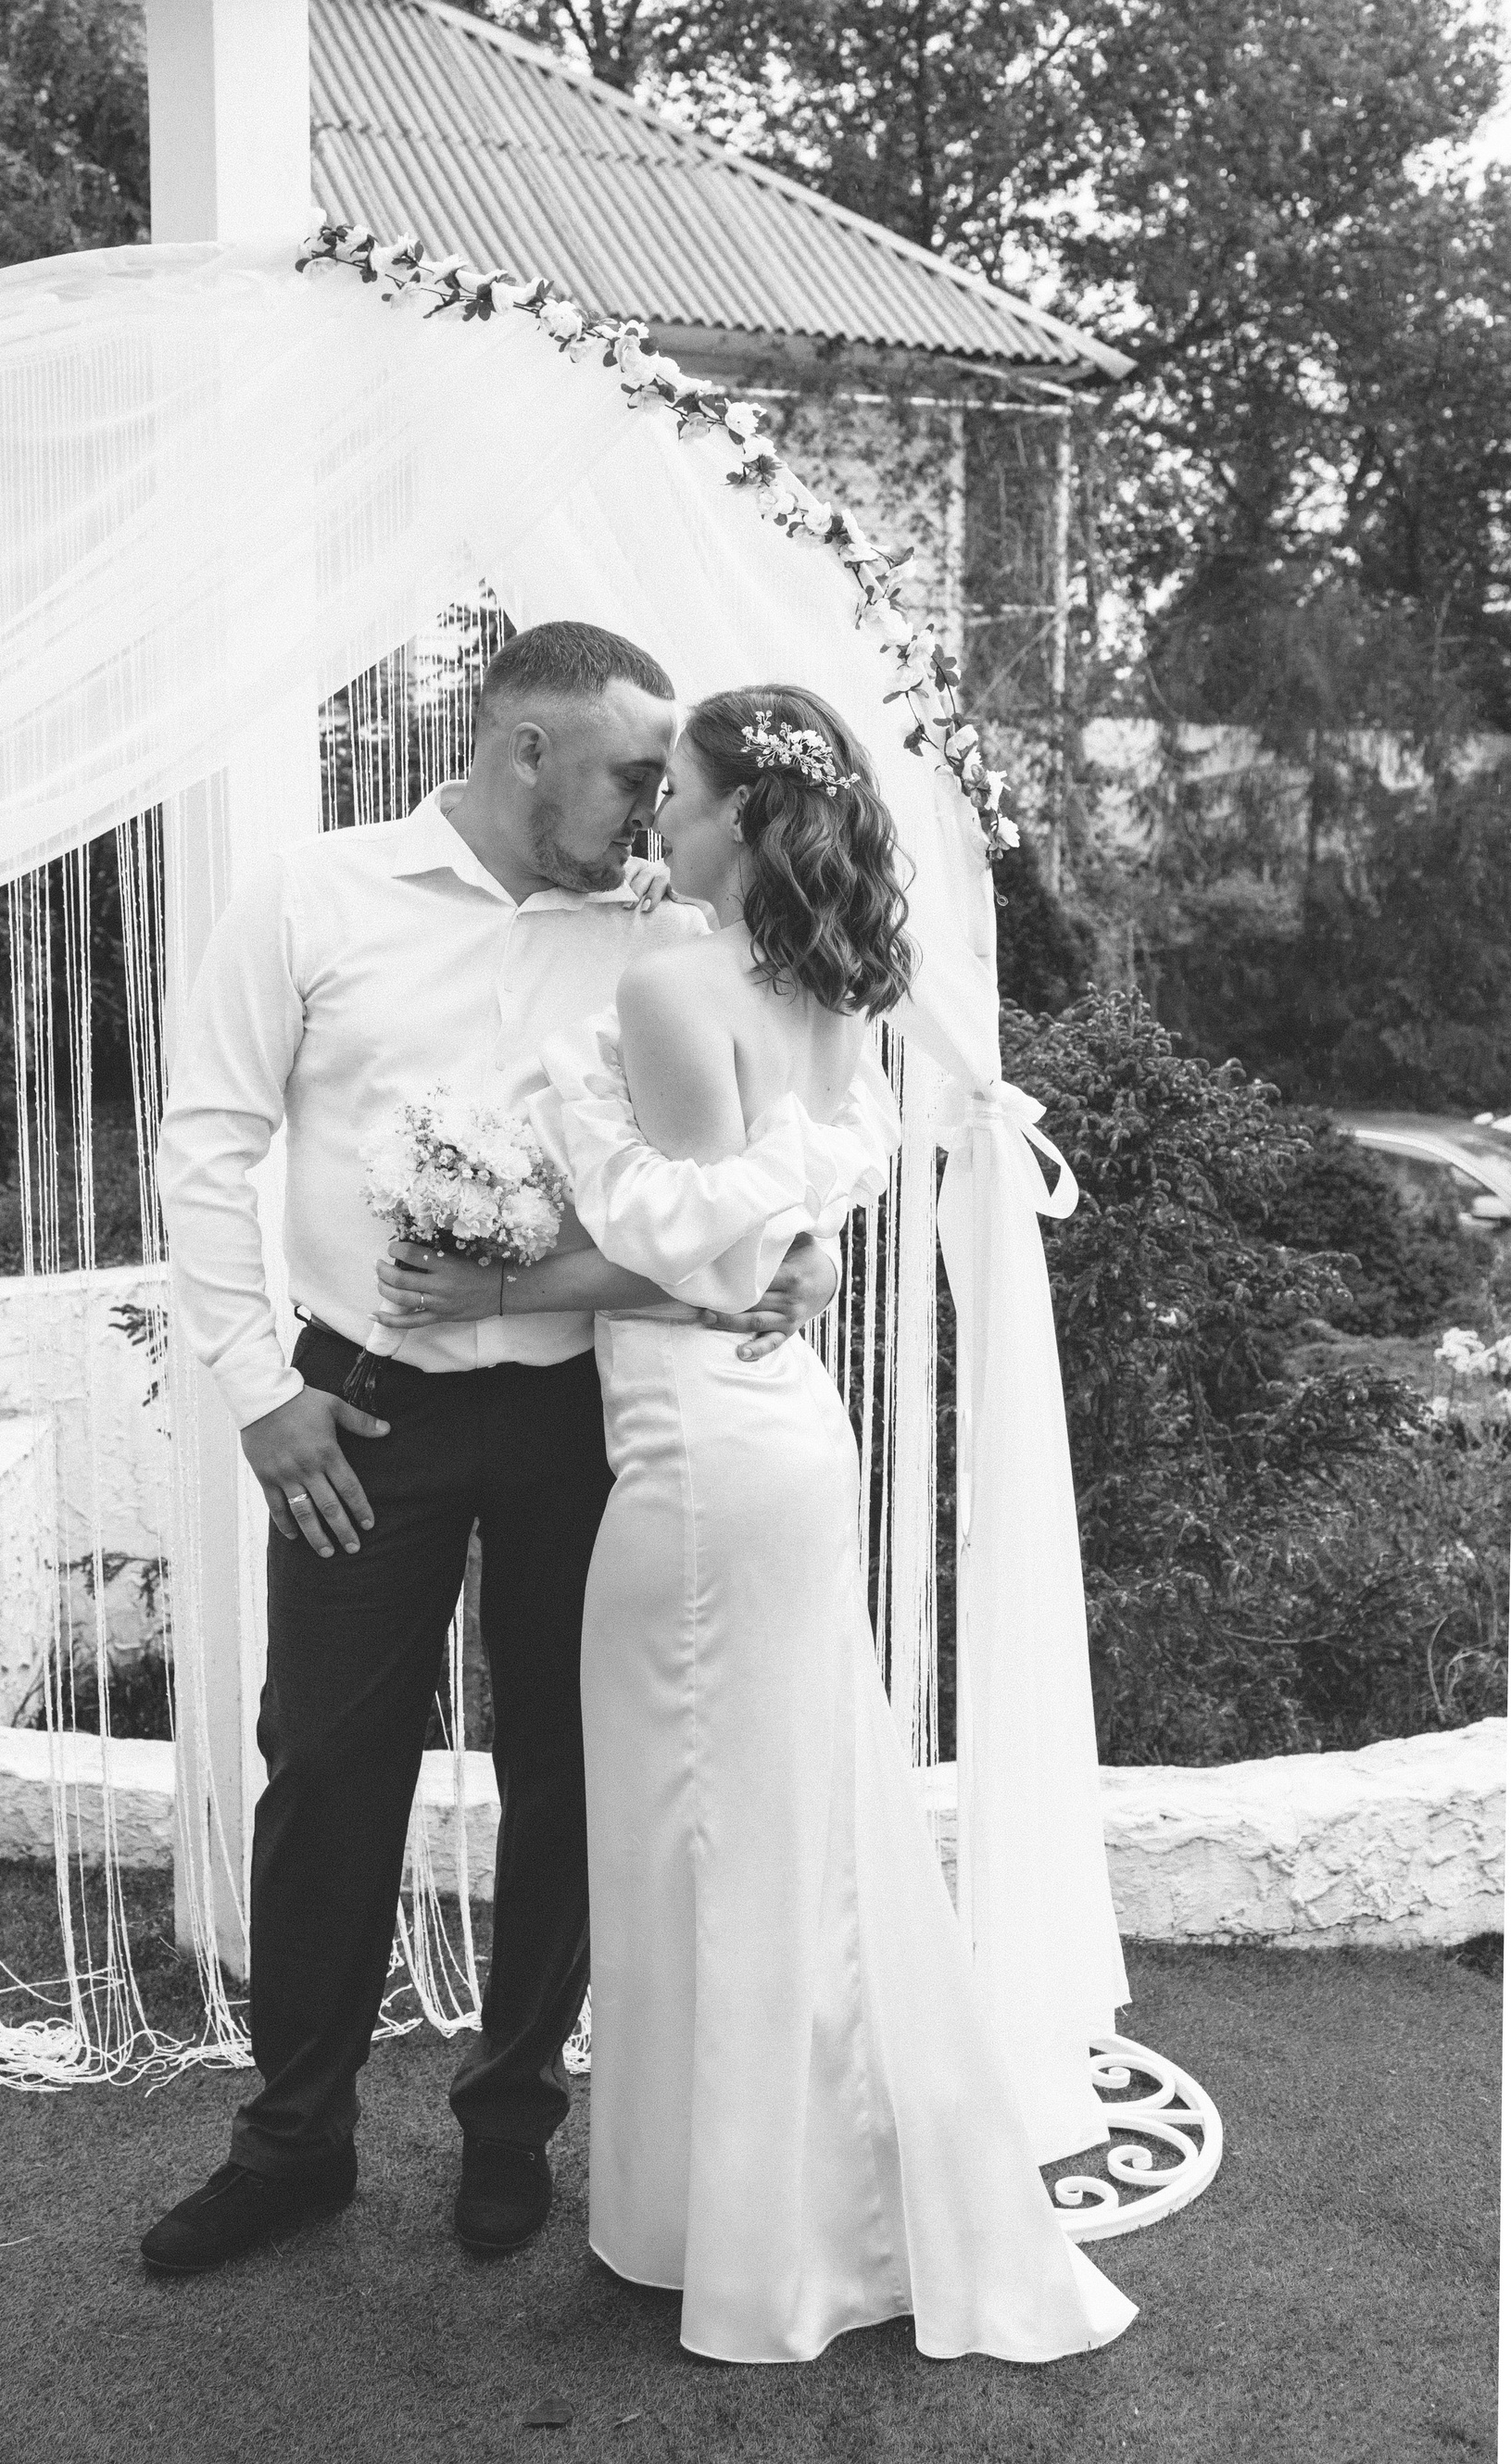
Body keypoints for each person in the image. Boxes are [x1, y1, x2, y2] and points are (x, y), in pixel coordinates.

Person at [386, 686, 1137, 2365]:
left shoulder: (673, 981)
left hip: (700, 1456)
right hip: (778, 1431)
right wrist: (792, 1258)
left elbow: (701, 1258)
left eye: (680, 790)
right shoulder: (828, 985)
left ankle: (748, 2234)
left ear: (737, 815)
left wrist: (498, 1285)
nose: (658, 813)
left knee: (696, 1839)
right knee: (772, 1830)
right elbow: (773, 1235)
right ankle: (765, 2202)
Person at [141, 624, 842, 2275]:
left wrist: (804, 1247)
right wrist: (259, 1392)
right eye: (630, 775)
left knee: (570, 1772)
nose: (653, 809)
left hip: (581, 1410)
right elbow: (208, 1146)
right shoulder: (313, 897)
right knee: (326, 1768)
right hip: (356, 1409)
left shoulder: (666, 932)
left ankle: (513, 2123)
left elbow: (780, 1116)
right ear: (528, 750)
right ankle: (293, 2143)